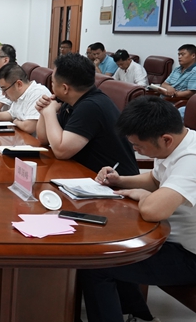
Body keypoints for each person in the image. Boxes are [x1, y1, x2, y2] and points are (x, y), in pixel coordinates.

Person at [82, 96, 196, 322]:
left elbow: (153, 211)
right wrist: (120, 181)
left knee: (97, 265)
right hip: (169, 239)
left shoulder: (191, 160)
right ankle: (138, 316)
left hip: (189, 256)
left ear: (166, 139)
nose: (135, 150)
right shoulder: (179, 142)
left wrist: (144, 196)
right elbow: (156, 179)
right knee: (111, 247)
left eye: (138, 147)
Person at [35, 53, 138, 175]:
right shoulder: (72, 101)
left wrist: (49, 113)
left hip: (114, 182)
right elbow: (43, 139)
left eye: (52, 82)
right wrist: (44, 110)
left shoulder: (91, 106)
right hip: (85, 174)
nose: (51, 86)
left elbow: (61, 151)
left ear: (65, 88)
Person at [0, 64, 50, 134]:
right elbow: (11, 114)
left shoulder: (37, 93)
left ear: (19, 84)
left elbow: (29, 127)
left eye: (4, 89)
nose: (3, 94)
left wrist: (16, 121)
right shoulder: (19, 94)